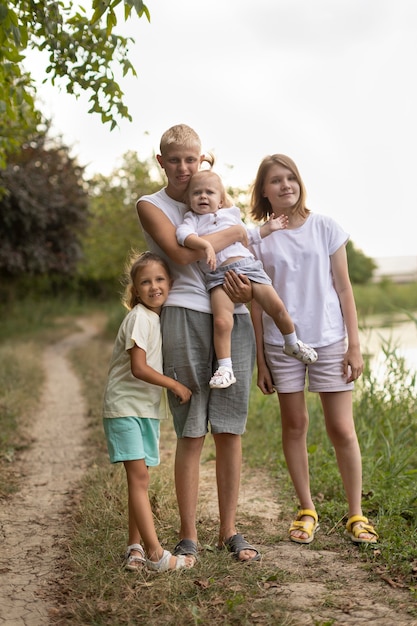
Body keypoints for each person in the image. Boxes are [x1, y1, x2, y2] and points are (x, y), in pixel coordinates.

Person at [136, 124, 261, 563]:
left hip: (235, 313)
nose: (184, 168)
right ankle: (188, 535)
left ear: (202, 159)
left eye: (192, 159)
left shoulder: (217, 194)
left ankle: (230, 531)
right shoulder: (151, 205)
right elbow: (183, 254)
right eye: (175, 160)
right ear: (162, 162)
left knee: (229, 428)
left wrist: (244, 255)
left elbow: (250, 261)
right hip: (185, 312)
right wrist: (238, 232)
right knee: (192, 428)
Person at [246, 153, 378, 545]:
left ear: (299, 182)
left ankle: (356, 513)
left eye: (291, 178)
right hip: (280, 345)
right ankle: (306, 509)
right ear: (264, 191)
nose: (286, 185)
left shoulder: (325, 227)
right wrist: (260, 359)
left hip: (330, 338)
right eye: (276, 180)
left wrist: (354, 346)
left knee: (341, 428)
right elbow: (255, 302)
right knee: (295, 425)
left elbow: (344, 289)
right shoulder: (258, 240)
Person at [176, 169, 318, 389]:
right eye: (197, 193)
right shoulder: (191, 219)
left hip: (247, 267)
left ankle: (292, 343)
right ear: (189, 199)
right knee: (222, 321)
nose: (203, 196)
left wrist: (269, 228)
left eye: (209, 192)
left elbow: (247, 236)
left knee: (277, 307)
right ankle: (225, 368)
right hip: (217, 276)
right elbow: (182, 236)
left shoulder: (231, 214)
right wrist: (204, 244)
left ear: (221, 200)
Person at [102, 251, 196, 572]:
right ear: (136, 289)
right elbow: (139, 368)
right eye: (145, 282)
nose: (154, 286)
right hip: (125, 407)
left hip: (143, 410)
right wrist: (175, 385)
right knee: (139, 478)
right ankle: (156, 555)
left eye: (159, 279)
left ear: (170, 282)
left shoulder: (156, 318)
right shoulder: (140, 317)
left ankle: (135, 548)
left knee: (138, 480)